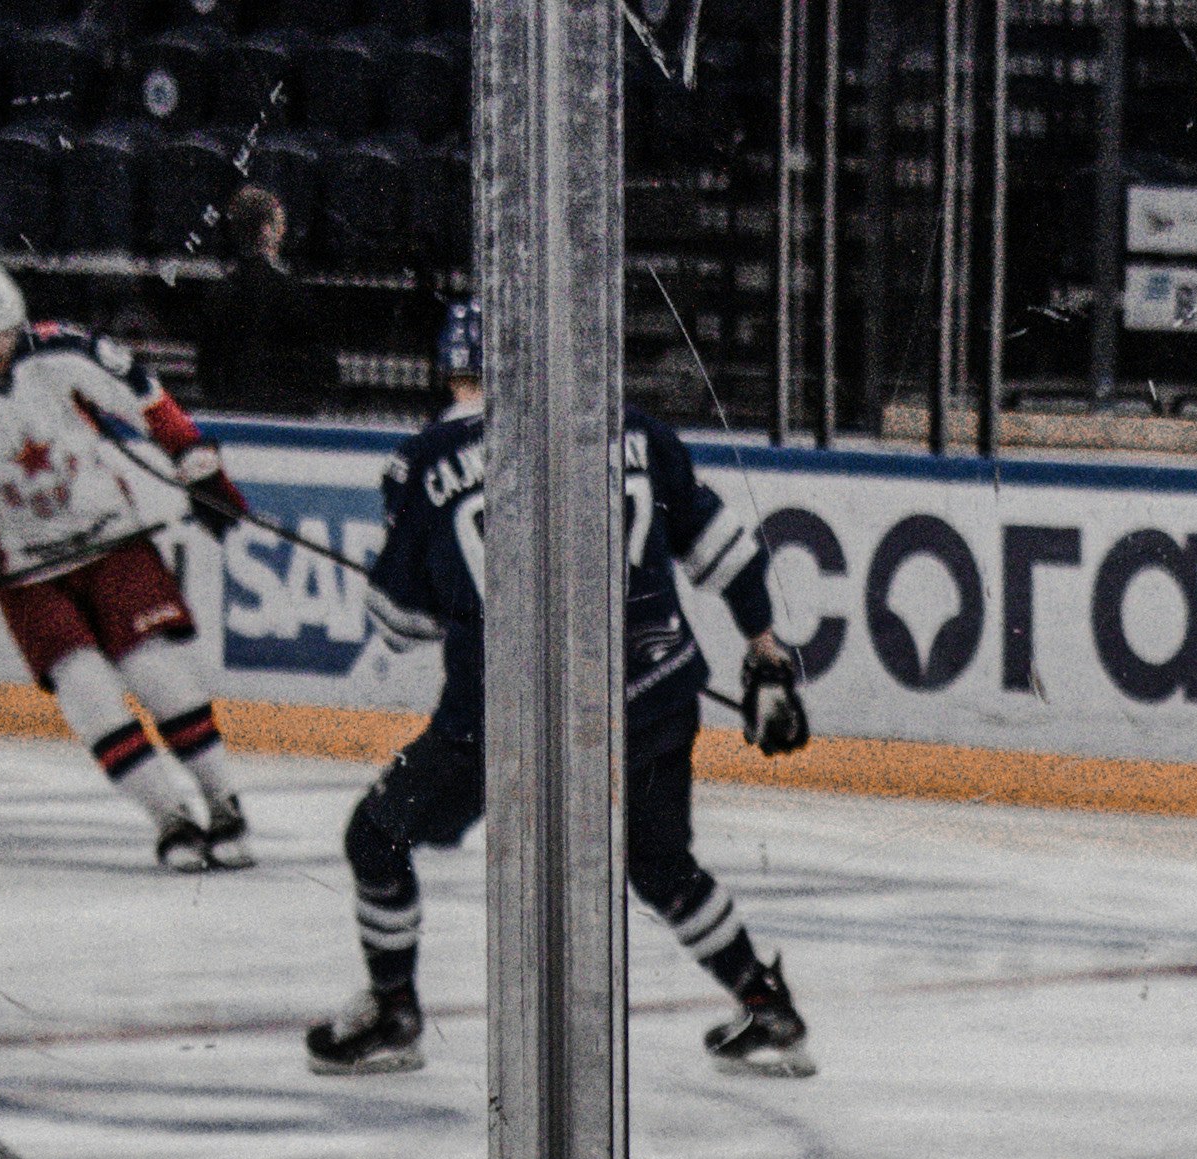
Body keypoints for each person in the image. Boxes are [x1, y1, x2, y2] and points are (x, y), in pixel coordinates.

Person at [304, 297, 816, 1078]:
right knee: (659, 861)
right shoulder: (637, 429)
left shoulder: (426, 460)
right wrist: (767, 656)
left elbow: (400, 623)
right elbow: (728, 556)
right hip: (654, 688)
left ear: (452, 371)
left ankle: (396, 1010)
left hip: (504, 715)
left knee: (376, 837)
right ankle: (766, 1007)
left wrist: (449, 596)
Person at [0, 256, 260, 868]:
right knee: (88, 693)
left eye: (6, 331)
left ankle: (223, 805)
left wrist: (199, 467)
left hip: (111, 541)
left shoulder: (63, 350)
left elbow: (146, 399)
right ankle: (170, 820)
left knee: (158, 675)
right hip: (25, 571)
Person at [203, 185, 344, 424]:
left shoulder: (219, 291)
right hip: (288, 414)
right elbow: (324, 369)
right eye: (280, 224)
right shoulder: (292, 292)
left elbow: (207, 370)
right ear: (267, 231)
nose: (284, 230)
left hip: (231, 413)